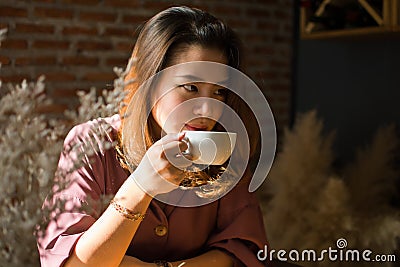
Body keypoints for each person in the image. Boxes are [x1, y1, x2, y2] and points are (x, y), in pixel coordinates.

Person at [37, 6, 268, 267]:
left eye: (219, 92)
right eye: (190, 87)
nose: (208, 109)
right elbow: (72, 263)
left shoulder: (222, 149)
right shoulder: (91, 144)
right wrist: (141, 186)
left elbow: (243, 250)